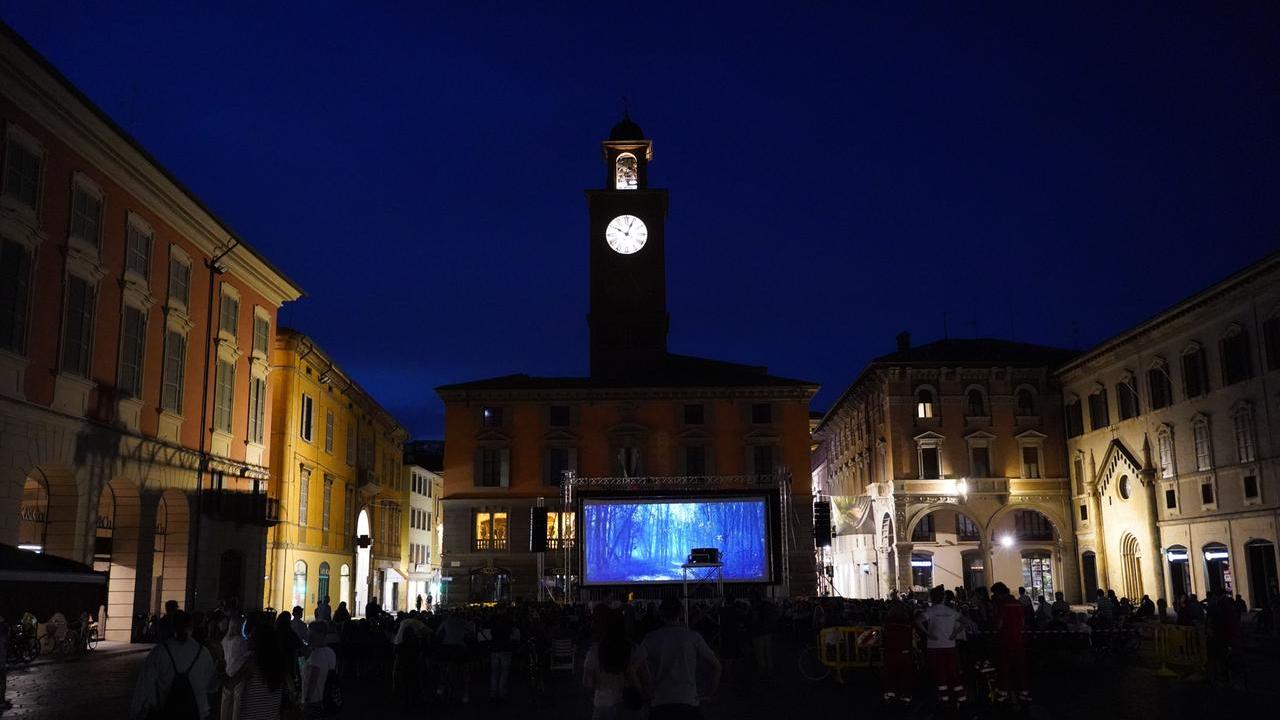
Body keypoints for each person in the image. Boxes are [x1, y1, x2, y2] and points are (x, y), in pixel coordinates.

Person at [642, 597, 721, 720]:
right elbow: (717, 667)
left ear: (661, 614)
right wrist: (709, 694)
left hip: (660, 701)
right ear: (681, 613)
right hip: (688, 700)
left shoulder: (651, 638)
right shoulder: (693, 637)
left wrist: (645, 694)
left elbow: (632, 668)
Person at [130, 610, 215, 720]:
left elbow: (144, 684)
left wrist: (137, 712)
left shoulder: (160, 651)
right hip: (197, 712)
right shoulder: (203, 652)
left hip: (167, 711)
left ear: (172, 627)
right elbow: (212, 685)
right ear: (191, 627)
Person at [585, 608, 650, 720]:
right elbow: (646, 677)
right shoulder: (635, 650)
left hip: (602, 703)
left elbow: (588, 681)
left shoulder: (594, 651)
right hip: (629, 703)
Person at [917, 585, 970, 706]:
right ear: (943, 598)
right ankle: (961, 698)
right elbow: (965, 621)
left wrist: (927, 633)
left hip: (934, 646)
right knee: (953, 671)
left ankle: (944, 698)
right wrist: (955, 633)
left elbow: (918, 621)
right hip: (950, 645)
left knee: (939, 672)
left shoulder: (930, 611)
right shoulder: (951, 611)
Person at [237, 615, 291, 720]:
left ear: (258, 641)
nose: (248, 638)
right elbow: (290, 685)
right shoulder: (279, 662)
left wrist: (220, 671)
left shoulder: (251, 663)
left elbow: (231, 684)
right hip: (272, 715)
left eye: (251, 636)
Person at [991, 582, 1030, 704]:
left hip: (1005, 641)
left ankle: (1003, 693)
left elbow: (999, 624)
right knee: (1020, 667)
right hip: (1018, 640)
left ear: (998, 593)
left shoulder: (1003, 605)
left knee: (1004, 668)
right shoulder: (1018, 604)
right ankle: (1023, 692)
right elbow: (1023, 622)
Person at [879, 600, 914, 704]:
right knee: (905, 674)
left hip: (890, 651)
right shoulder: (907, 621)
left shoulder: (887, 621)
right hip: (905, 651)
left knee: (890, 673)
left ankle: (890, 694)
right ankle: (905, 695)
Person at [302, 623, 337, 719]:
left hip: (314, 699)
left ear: (319, 635)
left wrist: (306, 700)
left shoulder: (316, 655)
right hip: (326, 696)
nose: (309, 636)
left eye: (311, 633)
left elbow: (313, 681)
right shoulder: (330, 652)